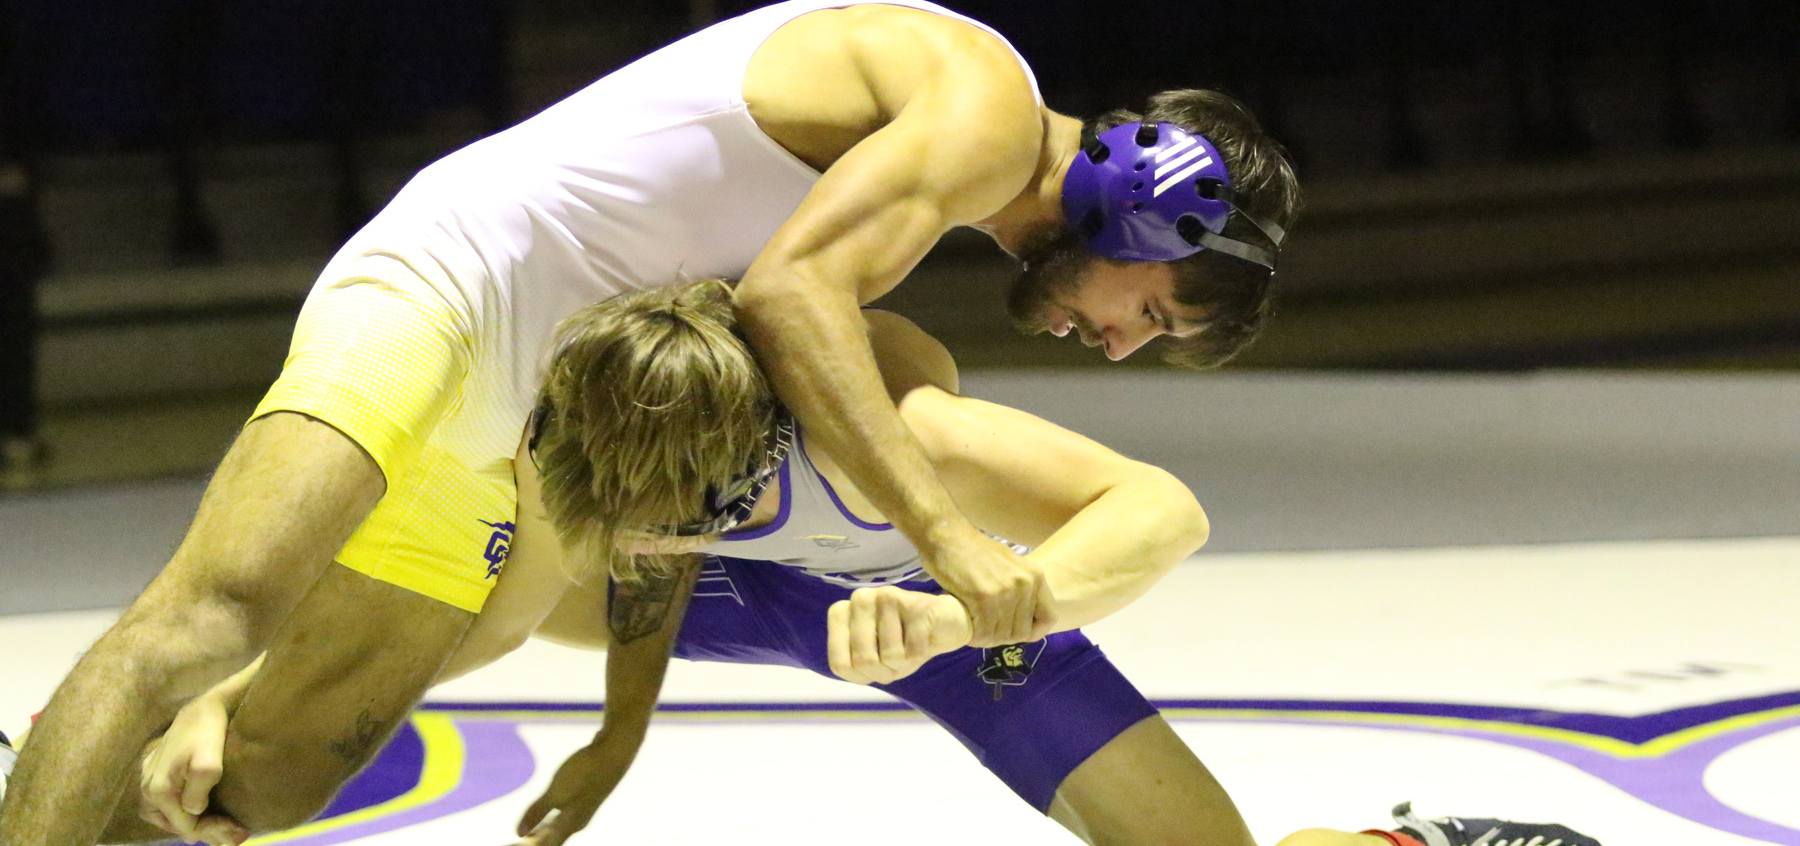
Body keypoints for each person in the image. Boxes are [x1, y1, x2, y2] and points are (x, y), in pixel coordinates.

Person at [0, 0, 1301, 844]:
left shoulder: (928, 203)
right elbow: (793, 296)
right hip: (454, 280)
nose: (1124, 339)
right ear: (1153, 206)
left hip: (525, 407)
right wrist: (949, 545)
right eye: (1162, 309)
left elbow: (661, 504)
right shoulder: (987, 107)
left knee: (266, 777)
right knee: (211, 617)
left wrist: (623, 731)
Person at [128, 284, 1601, 846]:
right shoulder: (586, 450)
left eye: (668, 504)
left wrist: (964, 605)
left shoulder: (884, 433)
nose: (634, 528)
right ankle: (109, 782)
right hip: (730, 597)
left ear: (745, 450)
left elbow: (1158, 510)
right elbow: (466, 625)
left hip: (903, 599)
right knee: (348, 678)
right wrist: (251, 689)